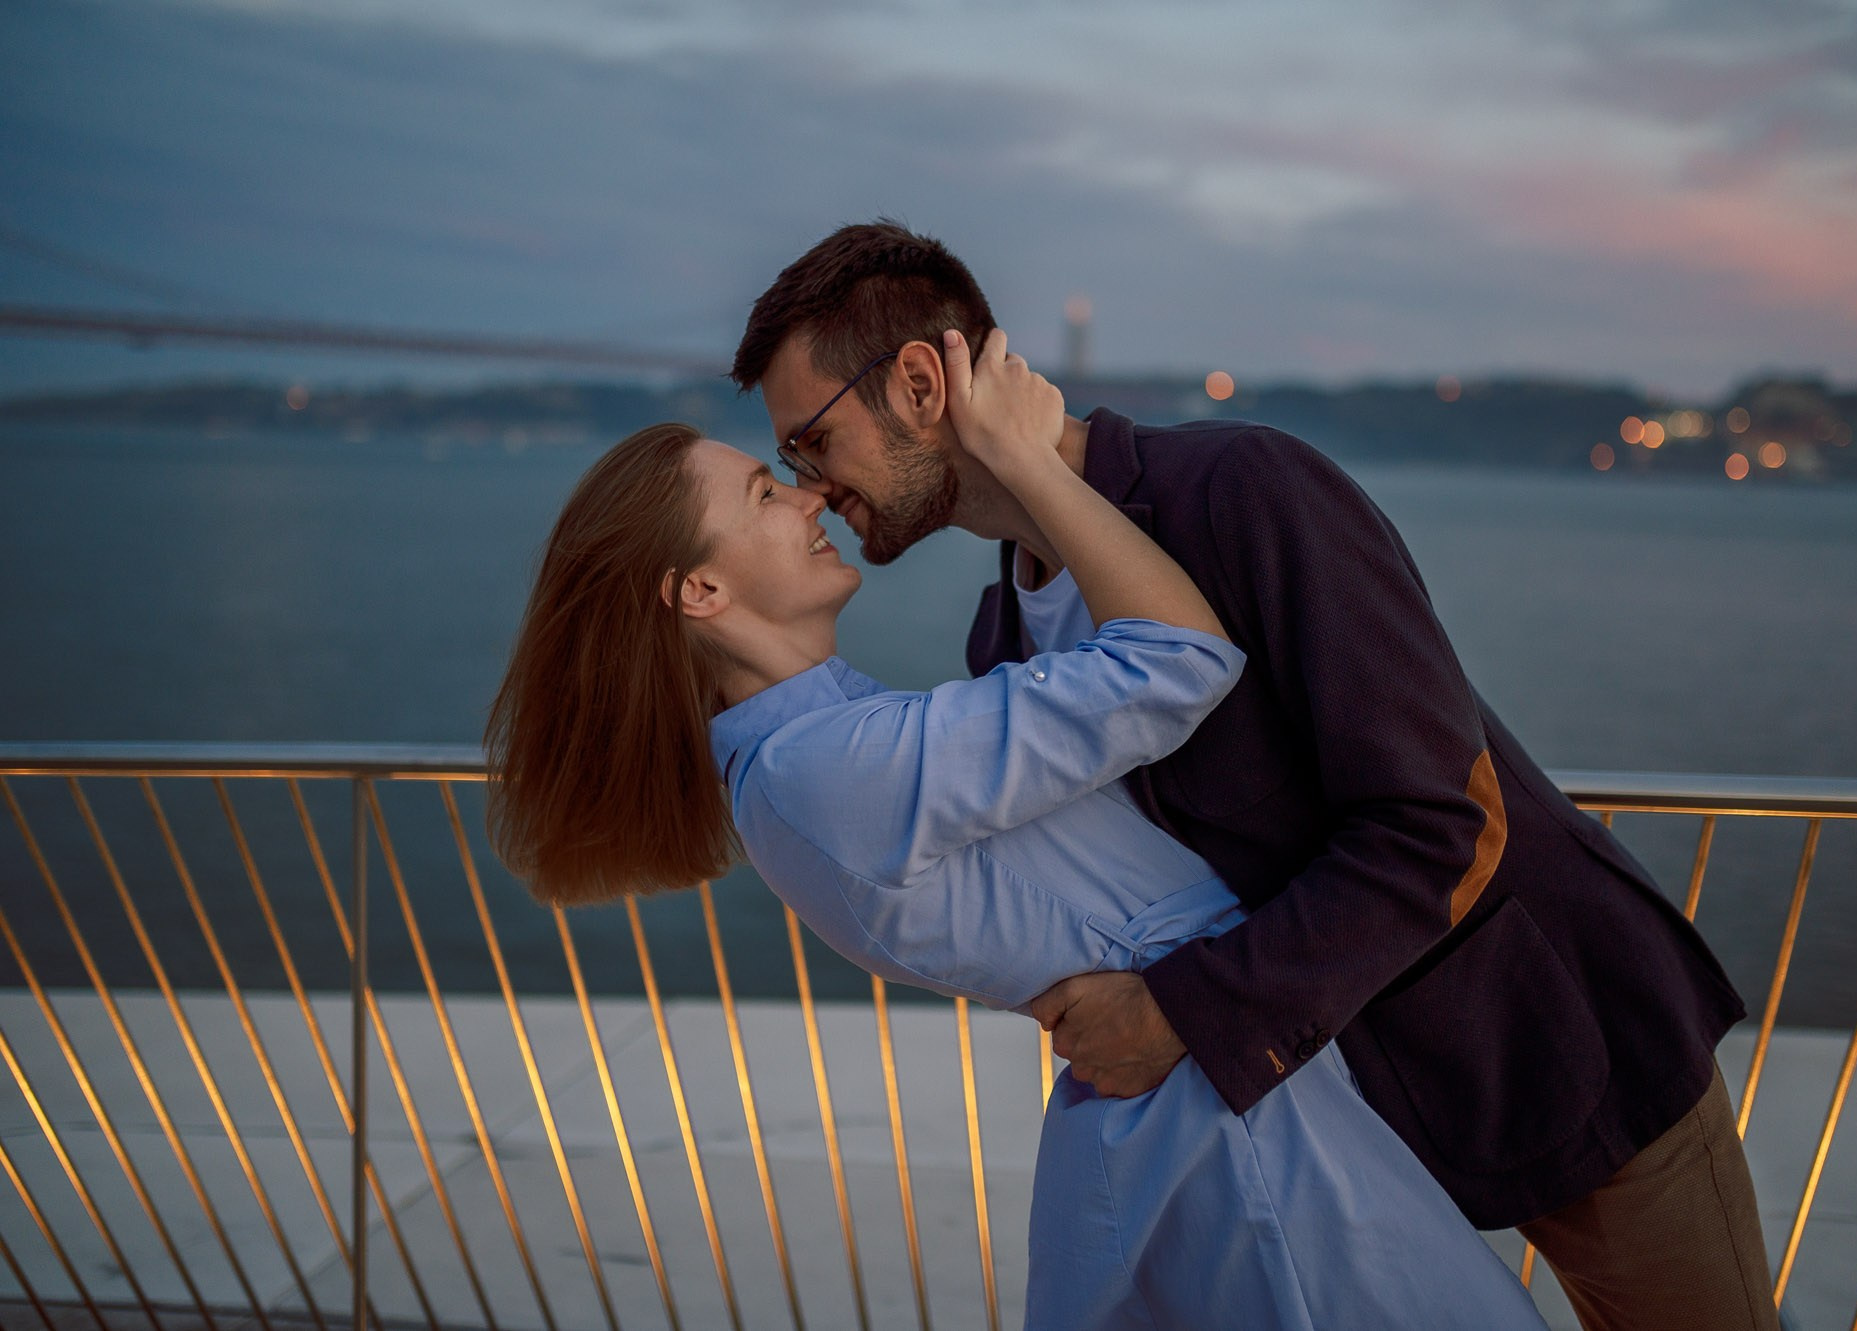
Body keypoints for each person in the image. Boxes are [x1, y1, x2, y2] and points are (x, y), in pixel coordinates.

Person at [730, 221, 1779, 1331]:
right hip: (1360, 1103)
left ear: (918, 381)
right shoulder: (1005, 638)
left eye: (812, 441)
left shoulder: (1237, 491)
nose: (810, 489)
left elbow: (1441, 819)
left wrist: (1182, 1012)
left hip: (1552, 1049)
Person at [486, 333, 1550, 1329]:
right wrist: (1027, 458)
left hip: (1216, 1102)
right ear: (701, 589)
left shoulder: (810, 755)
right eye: (766, 492)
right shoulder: (827, 772)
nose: (808, 494)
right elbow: (1178, 661)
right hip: (1243, 1140)